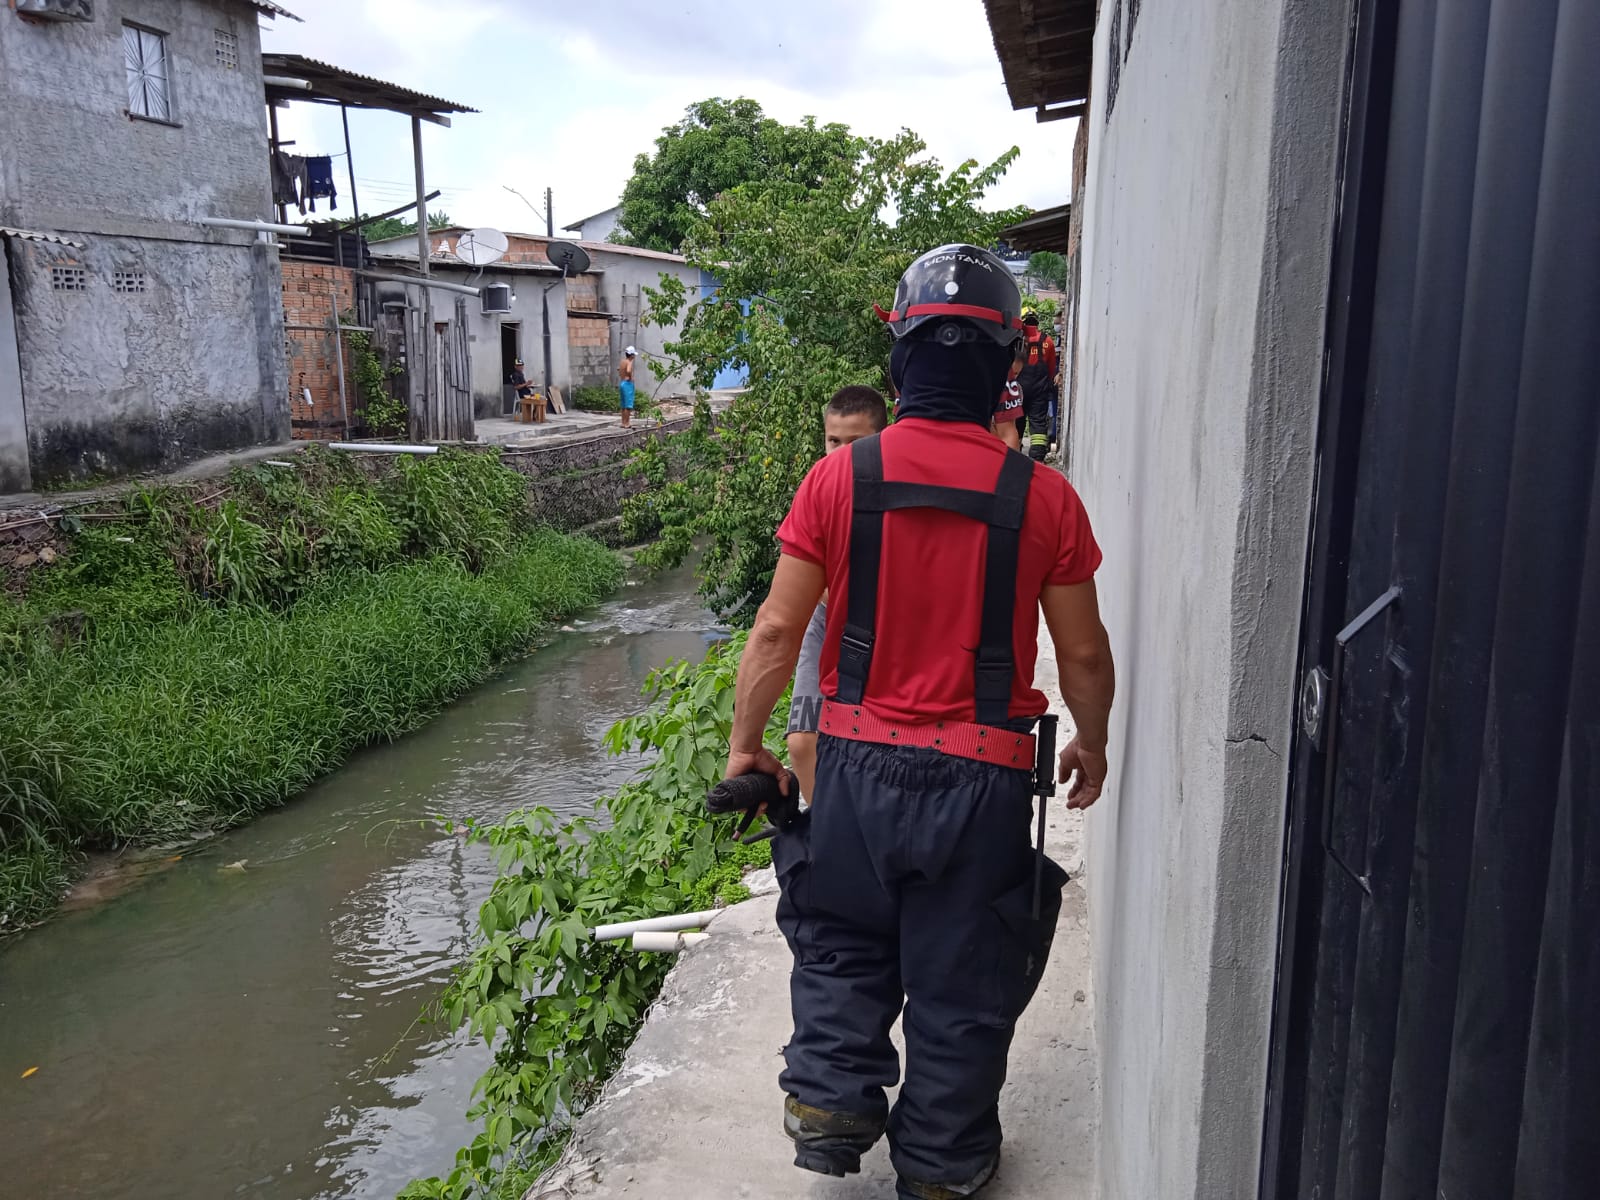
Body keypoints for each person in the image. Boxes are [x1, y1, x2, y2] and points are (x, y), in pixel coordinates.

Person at [724, 244, 1115, 1199]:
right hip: (982, 778)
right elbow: (1086, 655)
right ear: (1003, 367)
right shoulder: (1044, 497)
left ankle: (828, 1096)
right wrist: (1091, 740)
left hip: (854, 766)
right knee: (964, 969)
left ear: (901, 361)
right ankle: (940, 1169)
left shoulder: (838, 479)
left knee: (844, 928)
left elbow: (777, 629)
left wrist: (748, 746)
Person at [786, 386, 890, 806]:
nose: (841, 453)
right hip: (825, 619)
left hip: (883, 626)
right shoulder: (817, 487)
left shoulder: (894, 491)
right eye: (833, 441)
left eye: (855, 443)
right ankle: (822, 833)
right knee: (802, 740)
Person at [1016, 308, 1059, 461]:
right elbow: (1051, 368)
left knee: (1016, 422)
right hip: (1039, 391)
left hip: (1018, 391)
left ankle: (1014, 456)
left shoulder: (1017, 340)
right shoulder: (1048, 342)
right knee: (1038, 423)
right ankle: (1037, 457)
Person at [991, 342, 1026, 452]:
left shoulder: (1014, 389)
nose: (1013, 378)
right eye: (1011, 373)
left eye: (1016, 374)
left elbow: (1008, 431)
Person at [619, 346, 638, 428]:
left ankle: (623, 422)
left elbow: (619, 369)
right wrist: (631, 377)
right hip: (627, 383)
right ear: (631, 355)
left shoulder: (623, 361)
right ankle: (627, 423)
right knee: (628, 405)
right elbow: (628, 370)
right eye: (633, 354)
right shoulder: (629, 362)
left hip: (622, 383)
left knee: (623, 405)